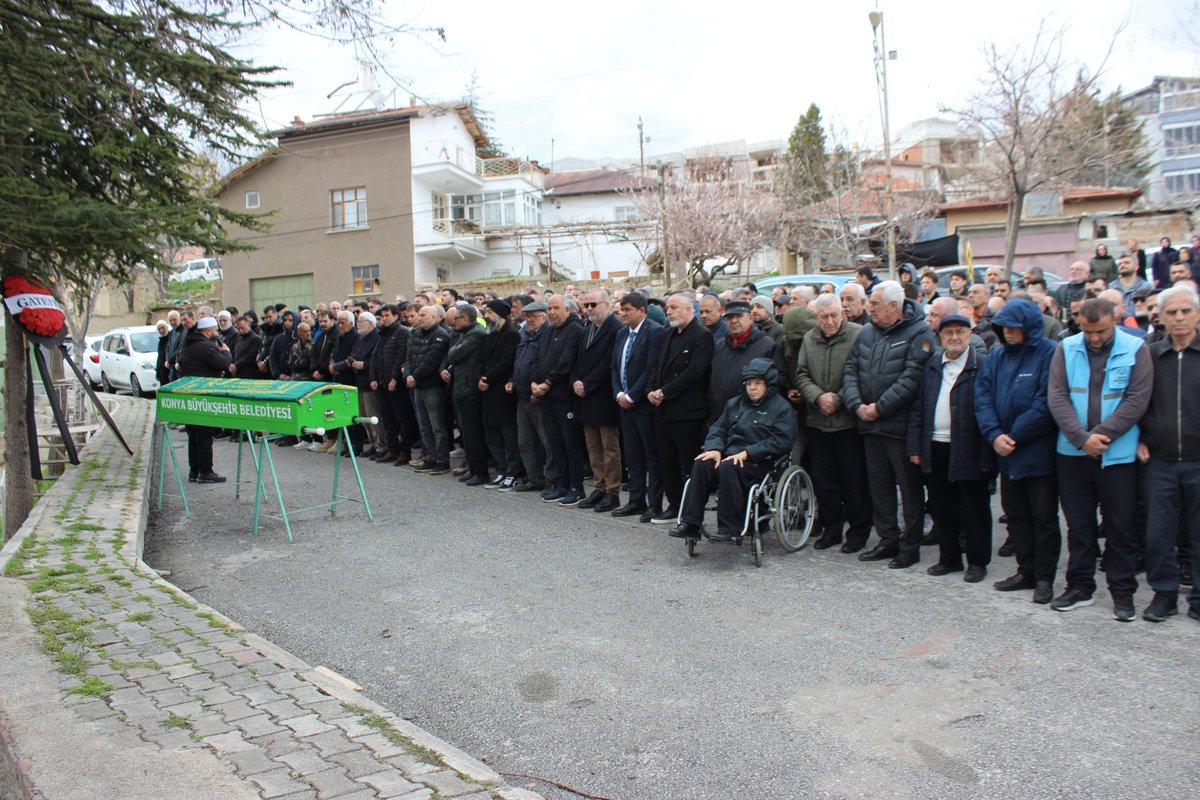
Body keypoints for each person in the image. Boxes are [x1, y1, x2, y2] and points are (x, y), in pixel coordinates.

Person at [1048, 297, 1152, 620]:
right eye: (1088, 331)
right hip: (1073, 453)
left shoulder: (1136, 349)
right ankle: (1079, 587)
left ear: (1115, 320)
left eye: (1101, 331)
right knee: (1079, 525)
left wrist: (1101, 436)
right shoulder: (1066, 348)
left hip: (1117, 455)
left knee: (1120, 526)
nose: (1094, 338)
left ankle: (1122, 592)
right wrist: (1082, 439)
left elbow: (1137, 400)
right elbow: (1057, 396)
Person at [841, 281, 935, 568]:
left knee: (909, 490)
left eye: (875, 304)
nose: (870, 308)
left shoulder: (919, 332)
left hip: (900, 427)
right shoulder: (867, 331)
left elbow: (912, 377)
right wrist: (857, 405)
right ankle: (887, 539)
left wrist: (879, 408)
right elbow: (851, 369)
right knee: (879, 487)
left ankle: (910, 545)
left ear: (894, 306)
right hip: (869, 426)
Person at [975, 298, 1062, 603]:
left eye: (1014, 328)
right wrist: (994, 435)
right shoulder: (998, 355)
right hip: (1006, 453)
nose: (1008, 333)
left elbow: (1047, 402)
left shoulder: (1049, 352)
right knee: (1016, 515)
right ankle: (1025, 571)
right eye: (1004, 328)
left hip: (1037, 452)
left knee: (1044, 518)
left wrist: (1013, 436)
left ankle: (1044, 578)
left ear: (1029, 327)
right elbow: (982, 397)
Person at [907, 314, 995, 582]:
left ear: (970, 335)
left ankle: (977, 562)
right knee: (941, 507)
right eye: (948, 333)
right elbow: (919, 408)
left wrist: (987, 456)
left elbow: (991, 411)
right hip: (936, 446)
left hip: (970, 447)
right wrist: (916, 447)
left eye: (960, 332)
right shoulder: (933, 365)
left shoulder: (982, 365)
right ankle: (950, 558)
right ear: (940, 337)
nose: (954, 337)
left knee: (975, 509)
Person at [670, 358, 797, 542]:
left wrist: (748, 453)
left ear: (768, 384)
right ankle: (691, 524)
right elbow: (718, 429)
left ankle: (729, 528)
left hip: (760, 462)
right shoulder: (734, 404)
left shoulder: (781, 408)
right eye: (749, 383)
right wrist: (714, 448)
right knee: (701, 463)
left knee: (729, 467)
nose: (752, 388)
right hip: (729, 457)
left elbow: (781, 441)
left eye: (758, 383)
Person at [1137, 285, 1200, 623]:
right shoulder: (1150, 356)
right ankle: (1164, 594)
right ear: (1161, 316)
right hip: (1159, 461)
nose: (1179, 318)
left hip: (1197, 460)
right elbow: (1136, 401)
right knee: (1158, 534)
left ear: (1197, 314)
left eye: (1185, 311)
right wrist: (1139, 438)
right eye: (1172, 312)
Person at [795, 294, 870, 552]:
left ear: (843, 313)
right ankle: (831, 529)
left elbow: (862, 373)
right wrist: (818, 397)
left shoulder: (859, 334)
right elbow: (801, 374)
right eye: (824, 316)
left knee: (853, 481)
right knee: (825, 481)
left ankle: (858, 531)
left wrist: (838, 399)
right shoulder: (809, 338)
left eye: (834, 315)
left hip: (847, 422)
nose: (829, 321)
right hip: (819, 421)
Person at [647, 291, 714, 524]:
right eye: (668, 308)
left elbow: (694, 372)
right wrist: (650, 390)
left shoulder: (702, 336)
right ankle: (674, 505)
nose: (669, 311)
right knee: (667, 461)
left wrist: (665, 391)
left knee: (689, 462)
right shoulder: (668, 334)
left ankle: (692, 510)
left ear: (688, 309)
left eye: (674, 307)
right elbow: (657, 366)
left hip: (687, 411)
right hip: (663, 409)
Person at [611, 292, 665, 521]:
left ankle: (655, 504)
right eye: (621, 310)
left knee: (652, 457)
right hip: (624, 405)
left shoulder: (654, 332)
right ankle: (636, 500)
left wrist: (632, 396)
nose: (623, 314)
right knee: (632, 456)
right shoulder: (622, 333)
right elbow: (615, 367)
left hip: (643, 405)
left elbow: (650, 368)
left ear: (642, 311)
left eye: (627, 310)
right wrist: (619, 393)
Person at [571, 290, 623, 512]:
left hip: (603, 395)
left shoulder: (616, 329)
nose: (589, 308)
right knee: (593, 446)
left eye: (593, 304)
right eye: (586, 305)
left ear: (606, 304)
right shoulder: (586, 330)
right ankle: (599, 486)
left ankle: (612, 491)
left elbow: (610, 362)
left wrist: (588, 383)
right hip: (585, 396)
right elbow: (577, 360)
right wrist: (575, 381)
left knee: (609, 447)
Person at [533, 294, 585, 506]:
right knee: (556, 445)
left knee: (571, 445)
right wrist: (534, 382)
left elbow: (566, 360)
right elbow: (538, 358)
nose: (552, 312)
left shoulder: (575, 330)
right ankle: (561, 484)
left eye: (556, 308)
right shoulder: (548, 330)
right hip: (547, 399)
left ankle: (576, 487)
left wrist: (547, 382)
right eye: (549, 308)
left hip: (565, 398)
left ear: (567, 310)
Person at [177, 316, 232, 483]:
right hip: (203, 396)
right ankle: (206, 471)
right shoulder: (205, 346)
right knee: (204, 434)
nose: (217, 332)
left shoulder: (188, 345)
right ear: (208, 331)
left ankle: (194, 471)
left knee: (193, 434)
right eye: (215, 330)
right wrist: (226, 352)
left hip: (191, 395)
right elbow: (223, 363)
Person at [707, 301, 776, 422]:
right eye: (729, 317)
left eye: (739, 316)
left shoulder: (767, 346)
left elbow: (775, 385)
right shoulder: (719, 346)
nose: (734, 321)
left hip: (751, 420)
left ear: (750, 318)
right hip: (719, 417)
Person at [510, 302, 554, 493]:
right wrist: (511, 380)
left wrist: (540, 386)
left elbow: (547, 365)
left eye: (533, 316)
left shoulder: (548, 335)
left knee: (547, 442)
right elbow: (518, 361)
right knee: (525, 442)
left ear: (544, 317)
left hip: (539, 396)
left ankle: (552, 479)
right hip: (522, 396)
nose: (529, 320)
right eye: (526, 316)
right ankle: (534, 479)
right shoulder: (524, 335)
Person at [404, 304, 452, 474]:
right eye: (419, 315)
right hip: (418, 386)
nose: (420, 318)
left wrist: (414, 377)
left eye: (423, 315)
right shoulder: (416, 334)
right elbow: (408, 357)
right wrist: (407, 374)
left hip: (433, 387)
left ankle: (442, 460)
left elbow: (431, 360)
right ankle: (431, 458)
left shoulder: (441, 335)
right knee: (424, 425)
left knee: (437, 426)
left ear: (434, 317)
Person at [478, 299, 521, 491]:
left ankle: (512, 472)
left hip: (502, 391)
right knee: (492, 435)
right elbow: (480, 360)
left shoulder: (511, 335)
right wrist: (480, 378)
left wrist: (487, 378)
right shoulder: (487, 335)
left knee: (508, 436)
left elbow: (506, 361)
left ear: (500, 314)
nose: (486, 316)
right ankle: (502, 470)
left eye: (489, 312)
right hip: (487, 391)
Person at [445, 305, 488, 485]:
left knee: (473, 433)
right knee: (468, 434)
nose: (454, 322)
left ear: (466, 319)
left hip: (470, 390)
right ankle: (473, 469)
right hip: (462, 387)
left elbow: (453, 354)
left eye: (457, 319)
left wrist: (455, 349)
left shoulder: (475, 334)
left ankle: (481, 472)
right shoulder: (465, 333)